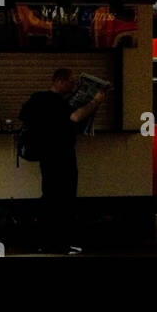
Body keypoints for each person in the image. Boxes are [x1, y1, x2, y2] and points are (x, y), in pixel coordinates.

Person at [19, 68, 105, 254]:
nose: (73, 86)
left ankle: (44, 241)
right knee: (64, 199)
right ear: (59, 81)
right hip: (61, 154)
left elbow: (24, 116)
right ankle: (60, 243)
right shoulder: (58, 103)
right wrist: (95, 101)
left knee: (49, 197)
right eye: (71, 82)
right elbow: (75, 117)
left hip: (44, 155)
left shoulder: (37, 99)